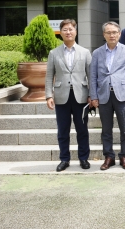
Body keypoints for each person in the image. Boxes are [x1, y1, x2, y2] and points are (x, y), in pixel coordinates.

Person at [45, 19, 92, 172]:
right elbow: (49, 76)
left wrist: (92, 95)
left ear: (75, 31)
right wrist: (48, 95)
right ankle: (64, 159)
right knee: (63, 130)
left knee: (82, 130)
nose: (68, 32)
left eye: (71, 29)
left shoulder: (85, 52)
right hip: (61, 96)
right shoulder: (54, 53)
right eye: (65, 29)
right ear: (61, 32)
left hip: (81, 96)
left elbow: (91, 76)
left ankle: (83, 158)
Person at [90, 21, 125, 170]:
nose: (112, 35)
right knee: (106, 129)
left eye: (114, 32)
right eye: (108, 32)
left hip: (122, 94)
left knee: (124, 128)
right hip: (103, 95)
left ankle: (124, 156)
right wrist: (93, 96)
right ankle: (109, 156)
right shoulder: (97, 53)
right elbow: (92, 76)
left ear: (119, 34)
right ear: (104, 35)